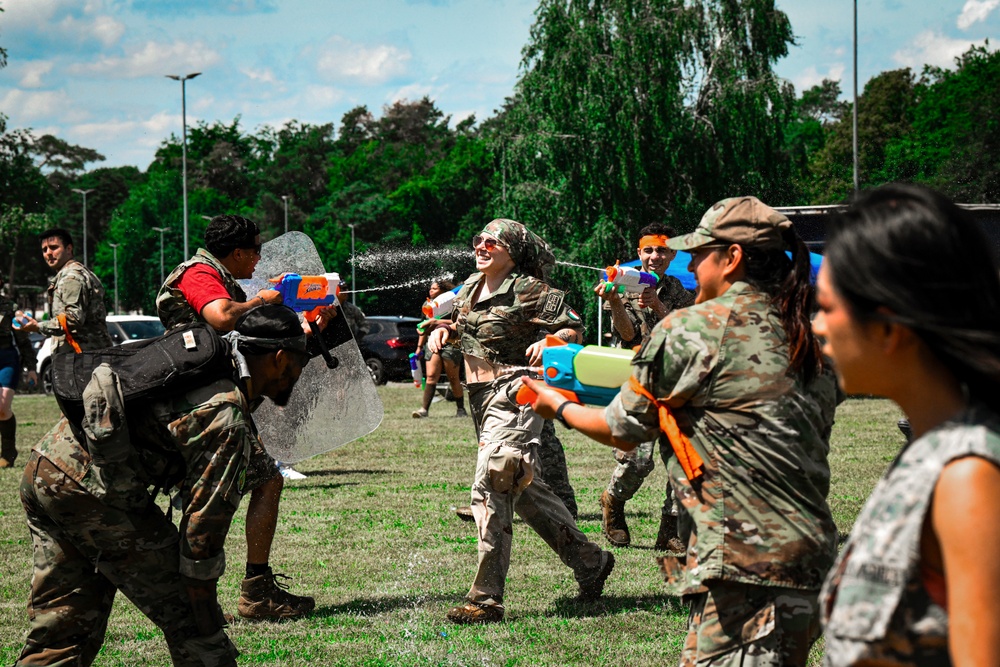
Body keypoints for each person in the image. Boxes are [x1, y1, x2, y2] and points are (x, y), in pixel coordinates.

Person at [525, 197, 840, 665]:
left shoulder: (694, 328)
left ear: (731, 259)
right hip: (810, 557)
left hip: (745, 563)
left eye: (698, 253)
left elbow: (622, 430)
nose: (690, 264)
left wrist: (558, 404)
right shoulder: (808, 337)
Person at [17, 304, 311, 666]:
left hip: (47, 466)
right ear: (280, 359)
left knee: (64, 629)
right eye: (301, 363)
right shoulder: (225, 414)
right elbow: (204, 525)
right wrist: (201, 598)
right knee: (196, 626)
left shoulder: (205, 363)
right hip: (90, 489)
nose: (300, 375)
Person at [813, 184, 1000, 666]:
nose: (816, 325)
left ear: (890, 328)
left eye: (829, 308)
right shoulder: (931, 449)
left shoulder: (969, 477)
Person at [429, 219, 615, 625]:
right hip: (481, 399)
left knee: (495, 478)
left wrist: (552, 339)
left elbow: (573, 327)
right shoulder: (468, 288)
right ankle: (590, 561)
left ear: (512, 251)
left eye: (491, 242)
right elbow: (467, 331)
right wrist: (442, 334)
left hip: (517, 391)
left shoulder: (530, 289)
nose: (481, 246)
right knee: (525, 492)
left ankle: (486, 598)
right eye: (478, 239)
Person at [155, 214, 314, 620]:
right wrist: (261, 301)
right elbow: (223, 317)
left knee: (265, 480)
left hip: (215, 400)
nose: (259, 259)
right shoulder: (200, 273)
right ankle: (208, 599)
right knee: (217, 499)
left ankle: (254, 590)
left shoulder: (218, 275)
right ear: (239, 252)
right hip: (198, 409)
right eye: (256, 251)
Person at [595, 223, 694, 550]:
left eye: (662, 250)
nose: (655, 256)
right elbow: (628, 336)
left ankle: (671, 529)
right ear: (639, 254)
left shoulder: (680, 290)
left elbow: (687, 334)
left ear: (673, 254)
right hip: (635, 381)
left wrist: (659, 306)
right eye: (649, 250)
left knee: (683, 455)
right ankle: (613, 501)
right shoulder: (622, 285)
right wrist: (615, 303)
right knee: (638, 459)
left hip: (675, 381)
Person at [20, 228, 113, 354]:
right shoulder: (68, 274)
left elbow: (73, 318)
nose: (48, 253)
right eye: (44, 249)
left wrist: (38, 327)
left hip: (83, 358)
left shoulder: (71, 277)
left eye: (54, 247)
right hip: (81, 357)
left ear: (69, 249)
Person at [412, 280, 467, 419]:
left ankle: (461, 409)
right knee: (431, 376)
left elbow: (460, 321)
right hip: (432, 341)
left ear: (444, 292)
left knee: (453, 377)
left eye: (435, 289)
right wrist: (419, 346)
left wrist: (437, 322)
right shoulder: (428, 305)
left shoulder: (453, 302)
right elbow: (423, 327)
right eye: (430, 288)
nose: (431, 291)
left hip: (450, 341)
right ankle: (424, 410)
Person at [0, 273, 38, 469]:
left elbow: (23, 341)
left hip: (5, 357)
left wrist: (31, 368)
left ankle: (8, 452)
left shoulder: (10, 308)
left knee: (2, 407)